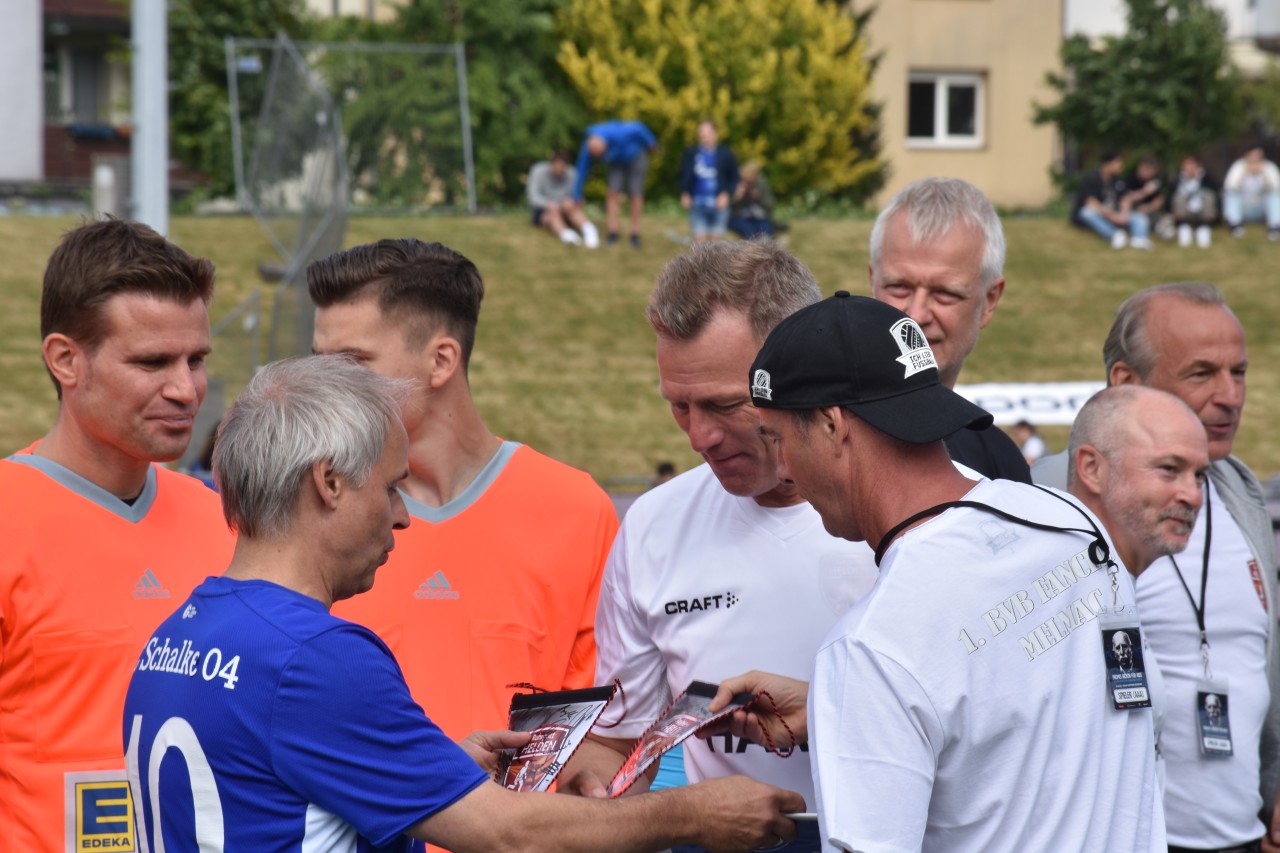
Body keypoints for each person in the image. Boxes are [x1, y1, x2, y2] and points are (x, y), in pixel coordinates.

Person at [122, 355, 805, 852]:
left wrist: (431, 765)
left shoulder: (177, 635)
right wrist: (694, 812)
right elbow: (509, 835)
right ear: (328, 483)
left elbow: (273, 789)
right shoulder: (315, 658)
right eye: (391, 489)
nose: (402, 518)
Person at [747, 291, 1163, 852]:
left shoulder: (872, 646)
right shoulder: (1070, 524)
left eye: (777, 439)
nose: (780, 469)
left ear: (830, 425)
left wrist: (860, 707)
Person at [561, 241, 879, 853]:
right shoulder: (654, 525)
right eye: (678, 406)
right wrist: (588, 784)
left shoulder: (904, 508)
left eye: (725, 405)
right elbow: (623, 743)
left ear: (800, 369)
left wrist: (830, 714)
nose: (699, 436)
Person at [308, 239, 619, 743]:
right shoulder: (309, 512)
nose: (323, 387)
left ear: (441, 361)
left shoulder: (578, 511)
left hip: (526, 821)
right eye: (318, 362)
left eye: (352, 363)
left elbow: (602, 733)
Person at [0, 218, 236, 852]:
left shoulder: (225, 523)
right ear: (65, 359)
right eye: (152, 362)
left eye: (197, 360)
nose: (186, 389)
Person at [1032, 282, 1280, 853]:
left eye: (1238, 372)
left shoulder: (1241, 493)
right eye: (1201, 374)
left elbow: (1260, 666)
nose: (1229, 396)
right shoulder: (1050, 496)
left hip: (1242, 835)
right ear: (1124, 383)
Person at [868, 176, 1031, 482]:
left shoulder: (1000, 468)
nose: (915, 315)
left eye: (945, 293)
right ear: (872, 281)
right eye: (899, 287)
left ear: (989, 301)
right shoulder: (805, 438)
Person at [572, 119, 657, 248]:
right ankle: (613, 232)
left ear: (605, 146)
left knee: (636, 192)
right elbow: (582, 169)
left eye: (600, 155)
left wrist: (651, 142)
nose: (598, 159)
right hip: (615, 161)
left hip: (635, 155)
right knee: (612, 193)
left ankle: (635, 233)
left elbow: (639, 128)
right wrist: (576, 194)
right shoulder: (589, 147)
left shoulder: (619, 133)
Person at [1072, 149, 1153, 249]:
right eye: (1118, 162)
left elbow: (1125, 198)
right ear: (1107, 163)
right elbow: (1091, 202)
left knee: (1139, 217)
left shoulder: (1118, 181)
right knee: (1087, 212)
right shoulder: (1091, 179)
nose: (1121, 165)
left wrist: (1124, 213)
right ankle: (1114, 235)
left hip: (1114, 213)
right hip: (1099, 214)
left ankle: (1139, 239)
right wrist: (1112, 216)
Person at [678, 119, 739, 244]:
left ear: (715, 133)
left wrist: (726, 194)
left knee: (716, 246)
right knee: (699, 244)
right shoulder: (691, 153)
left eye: (707, 133)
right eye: (701, 134)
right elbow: (683, 174)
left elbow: (734, 177)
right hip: (698, 204)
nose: (704, 137)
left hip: (719, 205)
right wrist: (685, 192)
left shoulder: (726, 154)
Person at [528, 149, 600, 248]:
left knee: (569, 206)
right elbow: (533, 197)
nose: (559, 170)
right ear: (551, 164)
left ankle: (589, 230)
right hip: (544, 212)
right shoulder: (538, 171)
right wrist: (548, 204)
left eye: (562, 167)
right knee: (553, 211)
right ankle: (567, 235)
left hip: (566, 209)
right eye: (556, 166)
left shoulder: (572, 173)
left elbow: (577, 197)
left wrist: (575, 201)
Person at [1223, 146, 1280, 241]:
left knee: (1274, 196)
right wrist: (1244, 172)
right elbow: (1229, 186)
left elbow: (1276, 187)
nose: (1255, 159)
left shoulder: (1269, 167)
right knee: (1231, 195)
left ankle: (1274, 228)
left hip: (1262, 209)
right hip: (1244, 208)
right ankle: (1235, 226)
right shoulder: (1239, 166)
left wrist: (1264, 173)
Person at [1168, 154, 1220, 248]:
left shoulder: (1206, 178)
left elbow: (1216, 193)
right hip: (1185, 213)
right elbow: (1170, 198)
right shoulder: (1177, 180)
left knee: (1208, 195)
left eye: (1192, 165)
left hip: (1203, 212)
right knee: (1179, 196)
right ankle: (1184, 228)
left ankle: (1204, 228)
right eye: (1186, 165)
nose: (1189, 168)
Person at [728, 161, 777, 240]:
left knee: (766, 231)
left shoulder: (761, 185)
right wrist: (736, 197)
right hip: (739, 217)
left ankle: (767, 247)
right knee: (749, 231)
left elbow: (770, 205)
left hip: (760, 217)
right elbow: (726, 207)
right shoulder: (735, 184)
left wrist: (759, 198)